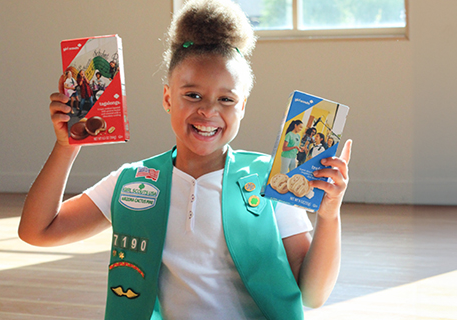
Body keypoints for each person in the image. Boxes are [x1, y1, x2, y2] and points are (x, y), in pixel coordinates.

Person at [19, 0, 352, 319]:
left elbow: (313, 295)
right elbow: (37, 231)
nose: (208, 111)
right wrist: (66, 146)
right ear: (167, 97)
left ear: (243, 107)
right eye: (192, 95)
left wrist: (329, 216)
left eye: (226, 99)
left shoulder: (269, 180)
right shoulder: (132, 181)